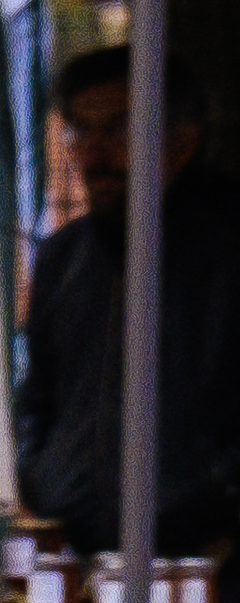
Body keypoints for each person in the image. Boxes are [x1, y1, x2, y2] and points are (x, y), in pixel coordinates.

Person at [20, 42, 240, 552]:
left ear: (181, 141)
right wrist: (44, 475)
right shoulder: (63, 258)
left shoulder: (227, 249)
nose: (94, 154)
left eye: (120, 129)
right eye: (81, 130)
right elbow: (38, 397)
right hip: (87, 556)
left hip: (212, 563)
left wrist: (203, 502)